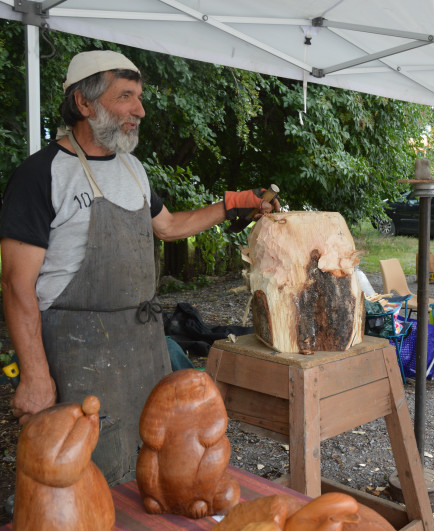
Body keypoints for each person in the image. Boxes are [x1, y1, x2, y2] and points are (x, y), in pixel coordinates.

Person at [0, 50, 279, 485]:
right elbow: (17, 287)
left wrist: (230, 205)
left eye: (140, 97)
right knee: (83, 477)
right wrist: (34, 376)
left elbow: (167, 227)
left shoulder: (132, 169)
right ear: (84, 104)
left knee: (152, 464)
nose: (140, 110)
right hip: (76, 353)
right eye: (126, 96)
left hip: (143, 346)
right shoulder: (41, 175)